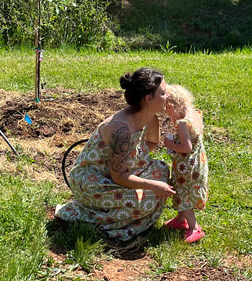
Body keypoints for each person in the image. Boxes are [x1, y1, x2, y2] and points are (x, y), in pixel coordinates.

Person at [55, 67, 175, 241]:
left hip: (119, 172)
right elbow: (118, 176)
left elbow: (152, 142)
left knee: (161, 170)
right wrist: (152, 185)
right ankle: (85, 215)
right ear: (148, 99)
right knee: (149, 199)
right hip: (93, 181)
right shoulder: (121, 129)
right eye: (164, 93)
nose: (168, 96)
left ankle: (116, 213)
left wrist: (136, 160)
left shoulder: (151, 117)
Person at [163, 84, 208, 243]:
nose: (168, 116)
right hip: (197, 163)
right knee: (182, 193)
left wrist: (169, 145)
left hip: (186, 167)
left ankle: (194, 228)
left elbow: (186, 147)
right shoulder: (195, 113)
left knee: (184, 195)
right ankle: (180, 220)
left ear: (173, 106)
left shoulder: (182, 123)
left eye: (167, 111)